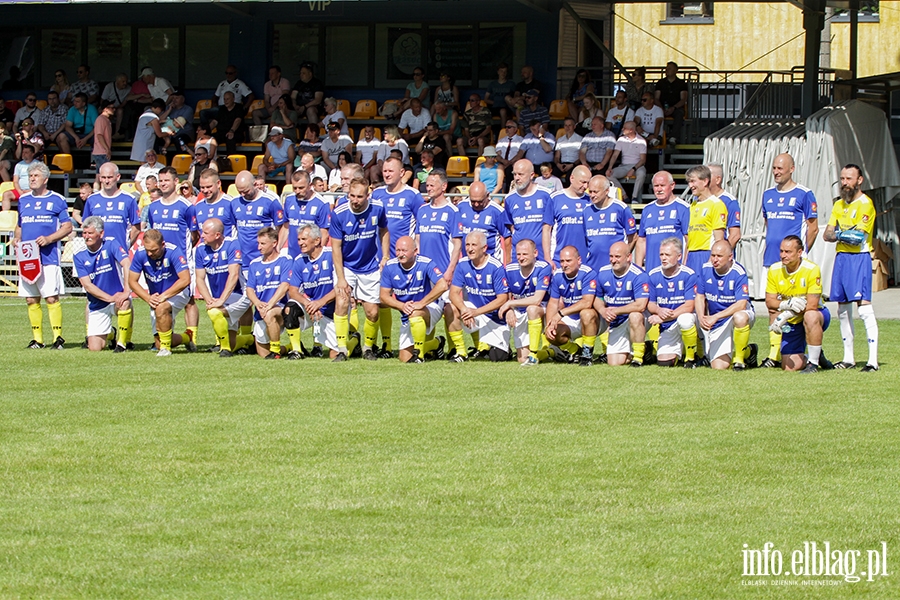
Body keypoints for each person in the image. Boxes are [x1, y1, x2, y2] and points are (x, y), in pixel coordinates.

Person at [823, 164, 879, 372]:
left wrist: (838, 234)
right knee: (843, 309)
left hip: (859, 259)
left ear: (859, 180)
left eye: (849, 178)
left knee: (864, 308)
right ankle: (849, 358)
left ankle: (872, 361)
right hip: (842, 259)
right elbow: (826, 234)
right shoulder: (838, 205)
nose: (845, 183)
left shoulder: (866, 204)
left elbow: (858, 239)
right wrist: (842, 234)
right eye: (842, 178)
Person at [329, 177, 390, 361]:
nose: (354, 200)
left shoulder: (377, 208)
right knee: (341, 302)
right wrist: (341, 278)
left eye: (359, 197)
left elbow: (384, 230)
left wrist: (385, 256)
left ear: (367, 195)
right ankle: (341, 349)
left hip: (370, 267)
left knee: (372, 312)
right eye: (351, 196)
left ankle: (368, 348)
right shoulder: (339, 213)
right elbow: (335, 248)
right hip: (346, 266)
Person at [13, 162, 72, 349]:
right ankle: (37, 339)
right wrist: (16, 238)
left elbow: (67, 227)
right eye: (30, 176)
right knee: (31, 299)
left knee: (51, 298)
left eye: (36, 176)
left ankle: (58, 338)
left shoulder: (57, 200)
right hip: (28, 258)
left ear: (45, 179)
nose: (32, 178)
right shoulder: (23, 200)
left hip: (48, 257)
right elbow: (20, 225)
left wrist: (49, 239)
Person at [371, 156, 426, 357]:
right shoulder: (376, 194)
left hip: (405, 260)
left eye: (391, 171)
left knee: (411, 303)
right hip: (380, 258)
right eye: (384, 171)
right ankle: (385, 345)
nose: (386, 174)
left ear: (402, 173)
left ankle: (424, 343)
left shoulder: (413, 195)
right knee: (381, 301)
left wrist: (417, 250)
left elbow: (421, 225)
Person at [765, 235, 832, 373]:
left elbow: (812, 305)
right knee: (790, 367)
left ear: (799, 252)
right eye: (781, 251)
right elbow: (770, 302)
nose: (783, 255)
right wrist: (786, 305)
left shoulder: (812, 269)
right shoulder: (774, 269)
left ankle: (813, 364)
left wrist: (784, 316)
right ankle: (816, 355)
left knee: (810, 316)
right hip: (792, 320)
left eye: (788, 252)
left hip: (816, 314)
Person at [284, 223, 350, 360]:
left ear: (317, 240)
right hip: (312, 309)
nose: (300, 243)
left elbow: (341, 286)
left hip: (331, 311)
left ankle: (353, 341)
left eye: (304, 239)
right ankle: (297, 351)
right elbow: (293, 291)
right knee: (289, 308)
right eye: (299, 240)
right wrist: (310, 304)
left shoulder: (331, 256)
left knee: (334, 354)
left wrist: (319, 303)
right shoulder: (299, 261)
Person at [380, 236, 449, 363]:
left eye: (404, 251)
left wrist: (421, 303)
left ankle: (419, 355)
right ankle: (436, 343)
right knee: (404, 358)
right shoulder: (390, 266)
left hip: (431, 306)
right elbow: (383, 296)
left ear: (415, 251)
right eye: (398, 250)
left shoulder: (426, 263)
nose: (400, 254)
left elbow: (443, 285)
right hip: (408, 311)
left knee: (415, 313)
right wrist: (401, 306)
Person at [447, 231, 511, 362]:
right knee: (450, 308)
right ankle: (461, 352)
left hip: (493, 317)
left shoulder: (496, 267)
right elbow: (453, 293)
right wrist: (464, 309)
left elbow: (502, 298)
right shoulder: (463, 264)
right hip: (473, 312)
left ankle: (500, 348)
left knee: (497, 357)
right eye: (467, 245)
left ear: (484, 248)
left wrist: (476, 312)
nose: (470, 249)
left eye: (474, 245)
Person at [194, 218, 253, 357]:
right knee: (233, 341)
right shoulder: (200, 249)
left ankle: (225, 349)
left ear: (217, 235)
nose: (201, 236)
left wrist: (220, 301)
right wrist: (209, 300)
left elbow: (233, 275)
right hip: (221, 297)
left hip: (240, 294)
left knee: (215, 312)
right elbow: (199, 278)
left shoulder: (233, 244)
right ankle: (251, 340)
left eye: (205, 233)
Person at [128, 228, 191, 356]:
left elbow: (185, 280)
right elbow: (132, 281)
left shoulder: (174, 252)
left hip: (179, 292)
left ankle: (166, 349)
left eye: (154, 250)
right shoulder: (140, 254)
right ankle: (187, 337)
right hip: (156, 297)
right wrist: (148, 298)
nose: (150, 254)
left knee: (161, 308)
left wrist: (164, 296)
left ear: (162, 245)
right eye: (147, 250)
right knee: (158, 342)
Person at [695, 240, 756, 371]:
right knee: (719, 366)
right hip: (718, 320)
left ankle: (739, 361)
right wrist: (701, 317)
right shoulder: (705, 269)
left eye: (719, 256)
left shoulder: (738, 272)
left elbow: (741, 304)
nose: (715, 260)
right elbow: (700, 296)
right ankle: (750, 352)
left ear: (730, 257)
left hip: (738, 313)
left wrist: (715, 316)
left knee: (739, 317)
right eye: (713, 255)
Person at [73, 216, 132, 352]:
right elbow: (88, 286)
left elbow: (127, 264)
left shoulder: (111, 244)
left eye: (90, 233)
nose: (86, 236)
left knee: (125, 303)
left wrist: (126, 291)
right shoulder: (79, 255)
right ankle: (111, 333)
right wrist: (110, 298)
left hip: (117, 299)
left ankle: (122, 344)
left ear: (101, 234)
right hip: (98, 303)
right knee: (95, 348)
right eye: (84, 233)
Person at [595, 241, 651, 367]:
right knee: (614, 363)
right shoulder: (603, 273)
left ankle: (638, 358)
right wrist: (603, 311)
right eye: (611, 256)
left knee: (635, 316)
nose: (613, 260)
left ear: (629, 257)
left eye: (617, 257)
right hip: (616, 321)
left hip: (638, 319)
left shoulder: (639, 275)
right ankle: (646, 348)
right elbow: (597, 297)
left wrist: (615, 311)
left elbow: (640, 305)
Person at [647, 237, 699, 367]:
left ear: (679, 256)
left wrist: (664, 318)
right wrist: (659, 311)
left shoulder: (689, 275)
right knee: (664, 363)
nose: (663, 258)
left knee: (685, 319)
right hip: (668, 325)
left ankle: (691, 358)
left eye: (668, 255)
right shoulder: (653, 275)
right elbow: (650, 304)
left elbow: (689, 305)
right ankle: (677, 351)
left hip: (686, 320)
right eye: (661, 254)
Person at [544, 245, 599, 366]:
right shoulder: (558, 275)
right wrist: (550, 325)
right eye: (562, 261)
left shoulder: (588, 273)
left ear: (579, 260)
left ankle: (587, 354)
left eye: (568, 261)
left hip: (593, 320)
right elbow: (553, 302)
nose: (564, 264)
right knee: (552, 335)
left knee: (586, 313)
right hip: (571, 319)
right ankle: (575, 350)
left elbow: (587, 302)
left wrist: (560, 314)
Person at [500, 239, 552, 366]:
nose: (521, 258)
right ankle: (551, 353)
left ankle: (534, 355)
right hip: (520, 311)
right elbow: (505, 296)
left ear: (535, 253)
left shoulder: (544, 267)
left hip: (542, 310)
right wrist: (509, 310)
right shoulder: (509, 269)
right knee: (522, 359)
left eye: (525, 254)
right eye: (518, 254)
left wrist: (510, 304)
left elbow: (537, 299)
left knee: (532, 309)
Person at [761, 153, 818, 267]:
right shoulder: (767, 194)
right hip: (770, 259)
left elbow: (813, 228)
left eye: (780, 168)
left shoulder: (804, 194)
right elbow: (768, 224)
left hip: (793, 262)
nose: (776, 172)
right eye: (774, 168)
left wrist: (801, 252)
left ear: (792, 169)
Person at [244, 227, 292, 359]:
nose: (259, 247)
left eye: (263, 244)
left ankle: (276, 351)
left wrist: (270, 305)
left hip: (280, 308)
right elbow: (249, 289)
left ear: (274, 243)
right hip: (261, 310)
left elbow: (285, 286)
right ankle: (289, 348)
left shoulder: (285, 260)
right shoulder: (254, 264)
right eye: (258, 243)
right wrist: (258, 303)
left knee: (270, 314)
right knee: (263, 354)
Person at [635, 171, 690, 272]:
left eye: (662, 185)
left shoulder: (683, 208)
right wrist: (638, 268)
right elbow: (642, 240)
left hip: (674, 271)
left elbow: (689, 240)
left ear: (672, 185)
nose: (659, 189)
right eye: (656, 186)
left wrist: (685, 265)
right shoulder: (647, 209)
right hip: (651, 269)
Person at [415, 169, 462, 288]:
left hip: (443, 271)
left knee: (446, 306)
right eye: (427, 185)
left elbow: (457, 245)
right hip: (424, 271)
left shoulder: (452, 211)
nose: (428, 188)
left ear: (444, 186)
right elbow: (418, 241)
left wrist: (450, 270)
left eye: (432, 185)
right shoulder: (422, 210)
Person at [583, 174, 637, 273]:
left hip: (614, 268)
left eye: (595, 192)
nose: (592, 195)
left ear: (607, 191)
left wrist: (623, 257)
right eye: (590, 191)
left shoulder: (620, 208)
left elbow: (633, 237)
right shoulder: (586, 211)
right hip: (592, 267)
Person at [84, 162, 141, 250]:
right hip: (97, 252)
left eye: (110, 177)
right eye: (103, 177)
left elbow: (136, 227)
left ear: (117, 177)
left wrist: (126, 244)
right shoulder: (92, 199)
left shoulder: (129, 199)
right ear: (100, 178)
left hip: (119, 253)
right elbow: (86, 225)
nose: (106, 181)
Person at [505, 159, 553, 261]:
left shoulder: (546, 195)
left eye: (521, 174)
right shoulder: (509, 198)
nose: (516, 178)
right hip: (518, 256)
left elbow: (551, 225)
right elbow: (509, 225)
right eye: (515, 174)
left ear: (532, 175)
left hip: (541, 255)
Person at [544, 165, 591, 269]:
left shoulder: (590, 201)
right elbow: (546, 229)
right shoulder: (555, 198)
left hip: (584, 260)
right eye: (582, 182)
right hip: (559, 260)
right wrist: (547, 258)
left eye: (588, 183)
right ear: (572, 178)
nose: (586, 186)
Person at [684, 164, 727, 273]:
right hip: (692, 256)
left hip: (706, 253)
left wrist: (710, 261)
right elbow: (689, 239)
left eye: (693, 181)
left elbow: (719, 239)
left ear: (705, 181)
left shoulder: (716, 204)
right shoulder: (692, 206)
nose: (690, 185)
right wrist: (685, 261)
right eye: (689, 182)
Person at [456, 181, 511, 262]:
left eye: (480, 201)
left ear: (487, 195)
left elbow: (507, 238)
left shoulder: (498, 211)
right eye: (473, 201)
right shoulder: (461, 207)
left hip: (490, 263)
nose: (476, 204)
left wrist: (509, 263)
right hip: (467, 261)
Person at [283, 169, 330, 258]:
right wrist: (278, 248)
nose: (297, 191)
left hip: (312, 256)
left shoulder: (322, 204)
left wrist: (319, 255)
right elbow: (286, 227)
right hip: (292, 254)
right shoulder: (289, 200)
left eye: (301, 188)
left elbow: (324, 233)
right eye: (294, 188)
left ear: (310, 186)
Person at [606, 121, 647, 203]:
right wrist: (609, 168)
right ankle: (624, 195)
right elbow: (615, 155)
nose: (622, 129)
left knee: (642, 173)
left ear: (631, 130)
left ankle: (634, 197)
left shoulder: (641, 141)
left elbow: (643, 160)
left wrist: (633, 169)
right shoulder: (621, 140)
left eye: (624, 128)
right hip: (624, 166)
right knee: (609, 175)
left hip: (637, 166)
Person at [654, 61, 689, 145]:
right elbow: (656, 98)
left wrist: (673, 108)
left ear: (675, 70)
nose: (667, 70)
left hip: (675, 108)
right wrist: (661, 108)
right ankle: (657, 137)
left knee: (679, 113)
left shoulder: (681, 83)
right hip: (662, 107)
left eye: (669, 68)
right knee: (655, 113)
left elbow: (683, 99)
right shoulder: (660, 83)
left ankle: (673, 137)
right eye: (666, 68)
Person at [708, 163, 741, 248]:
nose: (704, 179)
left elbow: (735, 235)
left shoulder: (729, 201)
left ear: (718, 179)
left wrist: (721, 253)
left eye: (707, 176)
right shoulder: (698, 201)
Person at [194, 169, 236, 235]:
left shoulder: (230, 203)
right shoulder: (198, 206)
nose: (205, 191)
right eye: (202, 187)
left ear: (218, 184)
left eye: (209, 187)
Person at [2, 142, 36, 211]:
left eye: (26, 152)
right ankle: (5, 218)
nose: (24, 154)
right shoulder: (18, 165)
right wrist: (20, 191)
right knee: (6, 194)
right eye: (23, 152)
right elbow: (15, 181)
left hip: (34, 190)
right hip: (20, 190)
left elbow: (41, 181)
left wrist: (31, 190)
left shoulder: (38, 165)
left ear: (32, 154)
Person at [495, 119, 524, 190]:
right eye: (506, 127)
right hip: (502, 162)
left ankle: (508, 190)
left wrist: (508, 163)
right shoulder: (501, 140)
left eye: (509, 127)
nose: (507, 129)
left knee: (510, 170)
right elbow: (497, 154)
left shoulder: (521, 140)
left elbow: (519, 155)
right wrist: (503, 161)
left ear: (515, 129)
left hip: (514, 163)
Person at [100, 73, 131, 138]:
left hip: (118, 108)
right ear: (117, 81)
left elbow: (125, 102)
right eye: (123, 81)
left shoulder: (129, 89)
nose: (125, 83)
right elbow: (102, 100)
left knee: (120, 111)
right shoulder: (109, 87)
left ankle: (117, 134)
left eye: (126, 81)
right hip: (107, 107)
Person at [91, 101, 115, 171]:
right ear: (105, 109)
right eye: (112, 108)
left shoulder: (106, 120)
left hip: (102, 152)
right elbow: (99, 135)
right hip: (101, 152)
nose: (114, 109)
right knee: (104, 173)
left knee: (99, 175)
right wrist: (107, 149)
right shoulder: (101, 119)